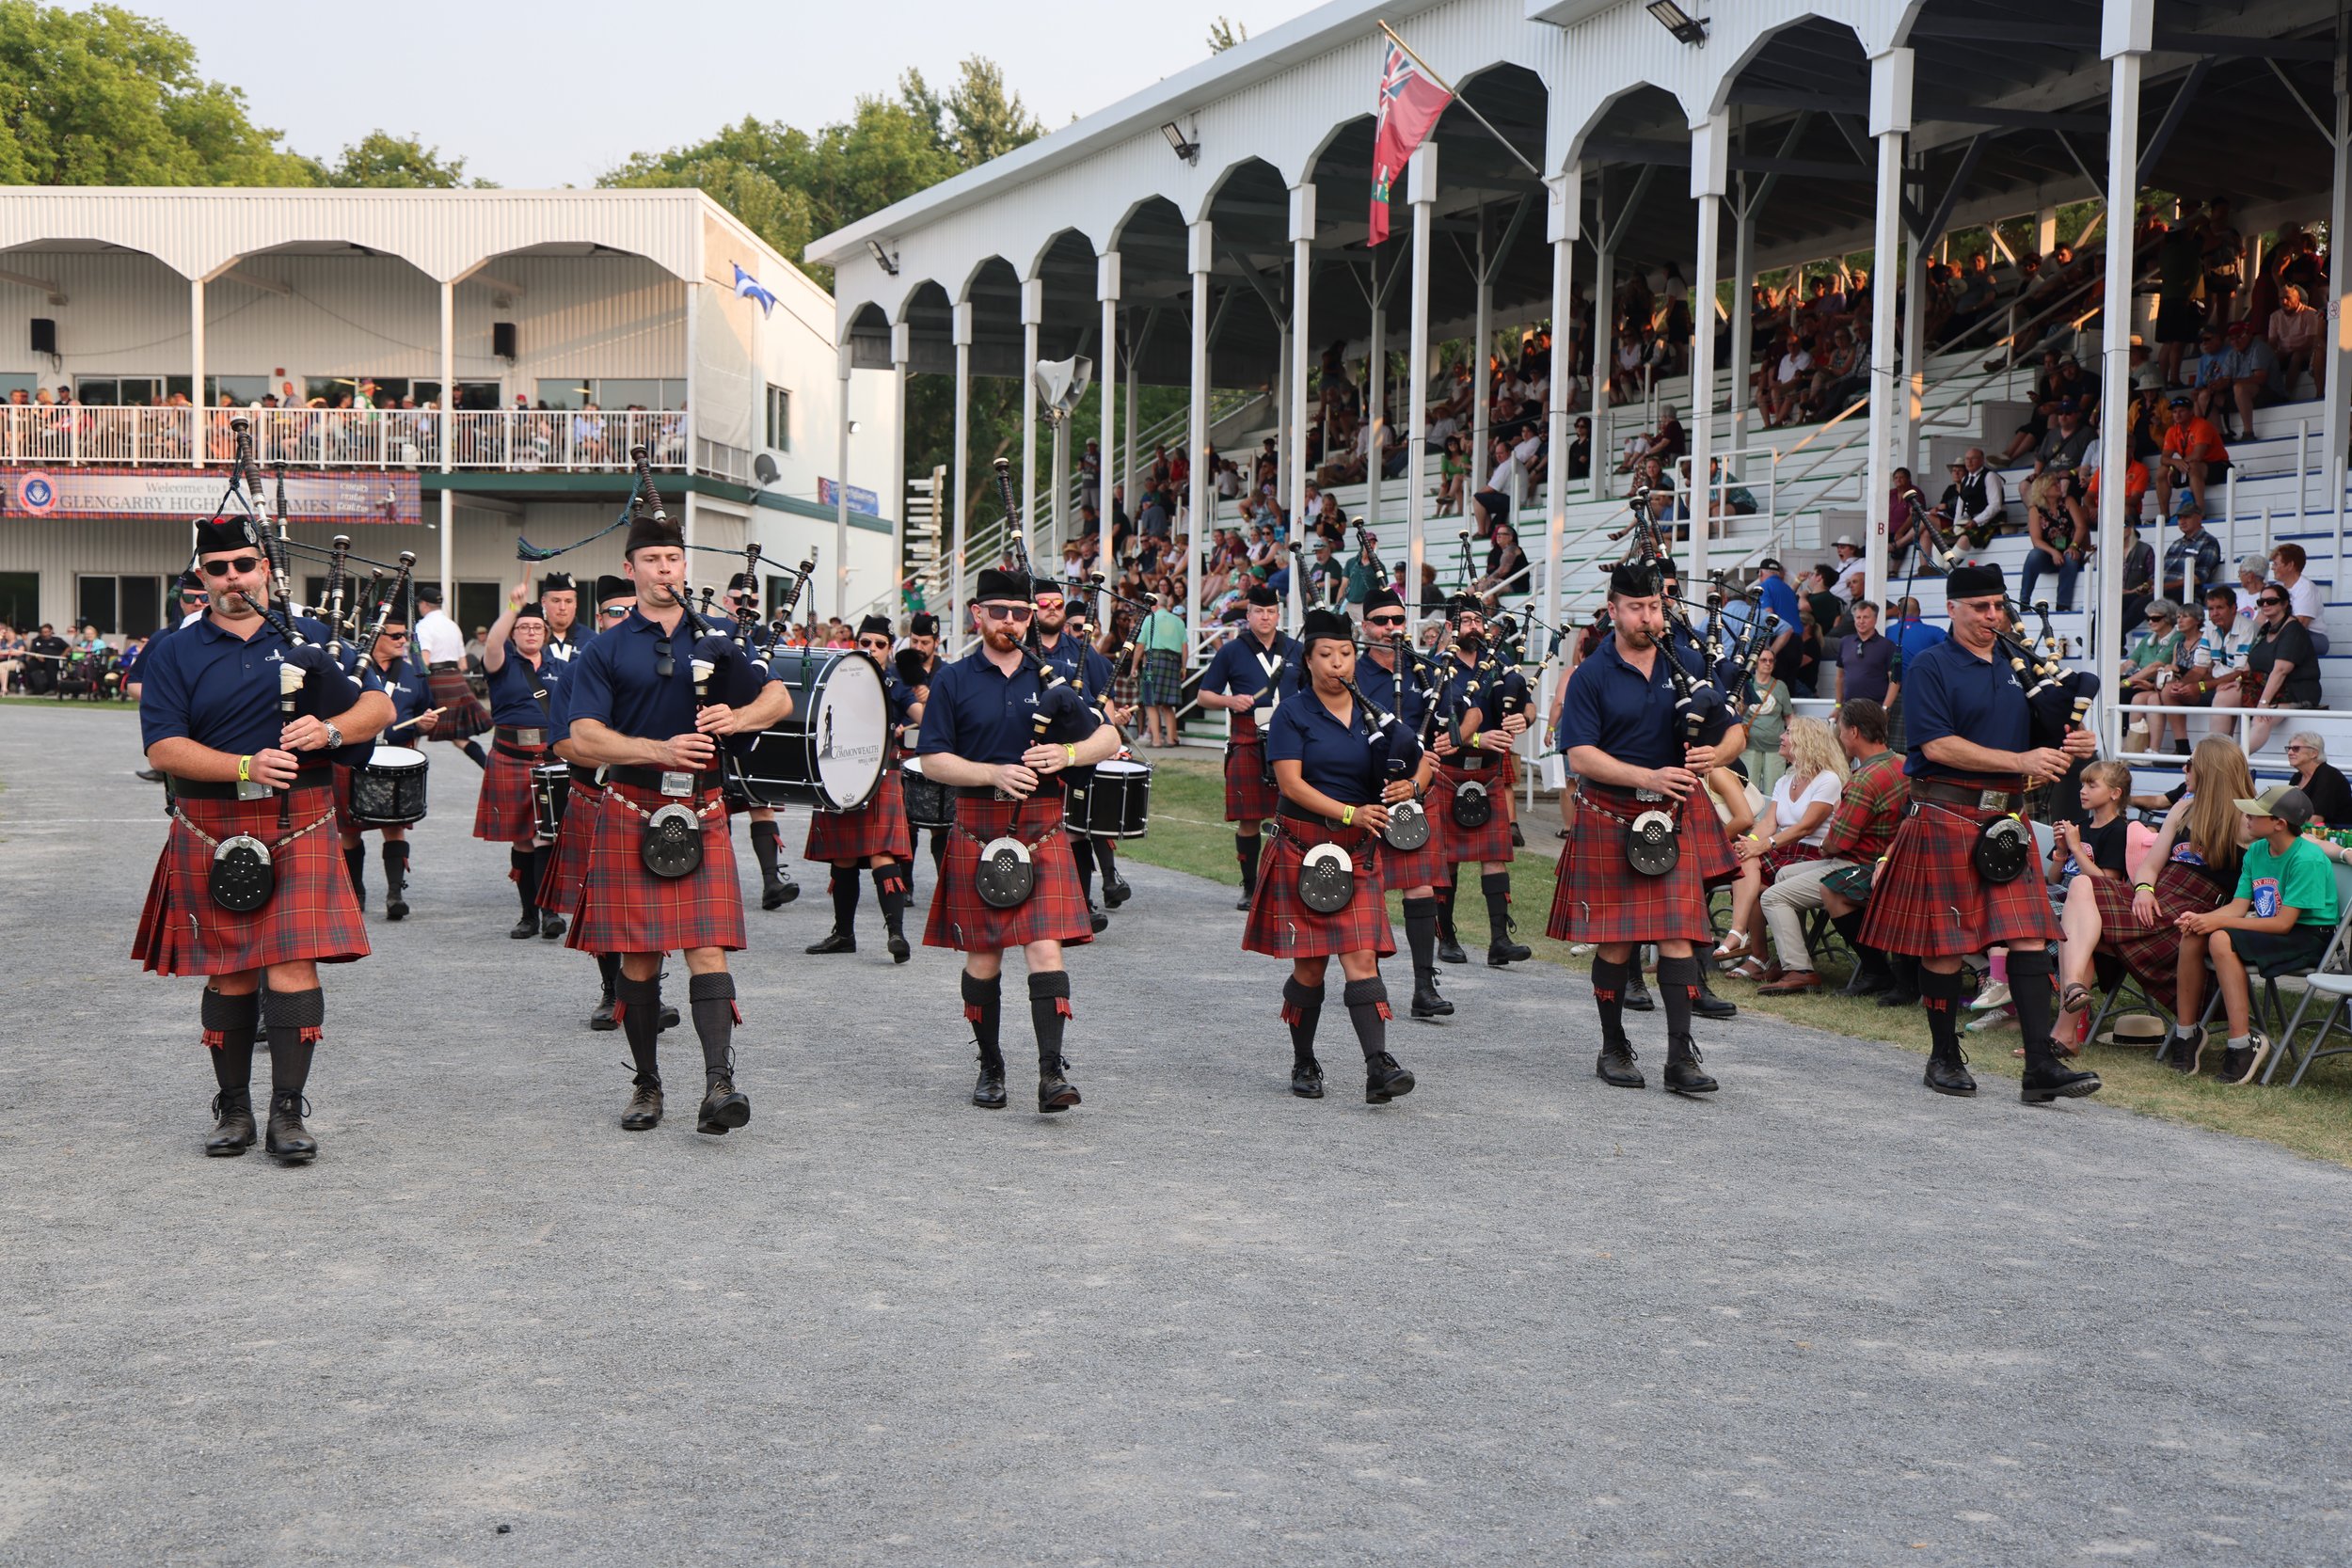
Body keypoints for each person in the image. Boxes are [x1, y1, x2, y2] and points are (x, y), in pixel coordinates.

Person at [134, 511, 393, 1162]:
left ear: (266, 570)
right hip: (211, 823)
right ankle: (233, 1108)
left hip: (297, 820)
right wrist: (242, 766)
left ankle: (286, 1112)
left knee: (292, 963)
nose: (233, 578)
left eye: (244, 565)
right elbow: (163, 746)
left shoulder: (307, 640)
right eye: (217, 569)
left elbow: (379, 707)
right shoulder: (174, 649)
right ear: (201, 576)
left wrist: (332, 732)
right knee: (230, 972)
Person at [558, 498, 796, 1136]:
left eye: (673, 557)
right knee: (639, 957)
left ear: (684, 565)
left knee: (707, 946)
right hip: (635, 803)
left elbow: (778, 696)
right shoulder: (606, 649)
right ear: (630, 568)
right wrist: (658, 749)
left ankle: (720, 1082)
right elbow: (584, 735)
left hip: (705, 804)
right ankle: (647, 1082)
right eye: (653, 559)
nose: (665, 568)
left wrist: (738, 717)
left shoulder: (714, 641)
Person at [1859, 562, 2101, 1102]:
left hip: (2005, 819)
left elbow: (2053, 732)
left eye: (1999, 607)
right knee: (1945, 946)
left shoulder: (2019, 664)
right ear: (1952, 609)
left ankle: (2040, 1065)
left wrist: (2076, 743)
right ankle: (1943, 1056)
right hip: (1947, 812)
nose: (1993, 617)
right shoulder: (1930, 666)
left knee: (2030, 937)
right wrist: (2018, 758)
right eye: (1980, 608)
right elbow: (1937, 745)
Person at [914, 565, 1122, 1114]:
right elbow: (932, 759)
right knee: (983, 958)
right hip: (978, 825)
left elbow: (1109, 735)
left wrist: (1068, 754)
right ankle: (989, 1065)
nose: (1011, 622)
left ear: (1033, 618)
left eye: (1021, 613)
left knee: (1044, 948)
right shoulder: (954, 679)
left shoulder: (1055, 677)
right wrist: (992, 773)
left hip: (1042, 825)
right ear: (977, 615)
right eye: (999, 612)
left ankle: (1051, 1071)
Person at [1550, 560, 1747, 1095]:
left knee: (1679, 937)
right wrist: (1649, 775)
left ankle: (1680, 1058)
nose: (1648, 617)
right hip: (1612, 815)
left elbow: (1735, 734)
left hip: (1670, 819)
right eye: (1636, 608)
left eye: (1655, 607)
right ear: (1613, 610)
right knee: (1616, 944)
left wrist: (1713, 754)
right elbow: (1581, 756)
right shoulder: (1591, 675)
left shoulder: (1683, 662)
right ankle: (1613, 1047)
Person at [1248, 606, 1424, 1103]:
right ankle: (1304, 1060)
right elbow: (1290, 784)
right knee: (1310, 967)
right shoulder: (1292, 713)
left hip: (1359, 852)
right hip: (1305, 846)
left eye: (1345, 654)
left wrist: (1410, 787)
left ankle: (1378, 1066)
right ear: (1308, 660)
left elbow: (1423, 761)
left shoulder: (1375, 712)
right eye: (1326, 655)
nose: (1338, 664)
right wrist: (1349, 813)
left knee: (1361, 957)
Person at [2059, 736, 2253, 1037]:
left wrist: (2345, 853)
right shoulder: (2183, 809)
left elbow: (2301, 841)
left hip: (2190, 914)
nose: (2184, 770)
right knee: (2082, 885)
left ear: (2210, 770)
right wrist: (2143, 891)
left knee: (2077, 932)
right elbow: (2150, 867)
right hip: (2156, 898)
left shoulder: (2248, 820)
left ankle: (2065, 1032)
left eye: (2190, 764)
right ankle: (2073, 990)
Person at [2174, 785, 2341, 1085]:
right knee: (2194, 934)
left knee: (2220, 937)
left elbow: (2283, 925)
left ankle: (2242, 1044)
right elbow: (2239, 907)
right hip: (2276, 929)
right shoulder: (2257, 851)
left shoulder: (2307, 860)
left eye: (2255, 813)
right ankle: (2186, 1033)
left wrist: (2217, 926)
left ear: (2279, 823)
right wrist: (2202, 919)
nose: (2246, 817)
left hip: (2311, 937)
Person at [1757, 699, 1909, 997]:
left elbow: (1837, 842)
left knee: (1773, 898)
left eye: (1840, 730)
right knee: (1783, 877)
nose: (1839, 738)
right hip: (1883, 860)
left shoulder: (1865, 778)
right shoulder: (1900, 764)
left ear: (1853, 732)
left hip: (1857, 866)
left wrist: (1826, 847)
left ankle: (1800, 971)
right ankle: (1795, 957)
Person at [1355, 587, 1453, 1020]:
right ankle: (1369, 983)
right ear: (1365, 627)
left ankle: (1423, 986)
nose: (1392, 628)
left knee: (1421, 886)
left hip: (1415, 790)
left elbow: (1437, 742)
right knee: (1366, 889)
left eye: (1398, 620)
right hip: (1365, 795)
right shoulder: (1350, 673)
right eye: (1382, 621)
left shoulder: (1425, 671)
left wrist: (1414, 784)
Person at [803, 614, 921, 961]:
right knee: (843, 855)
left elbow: (927, 718)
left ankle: (897, 934)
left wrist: (913, 707)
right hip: (838, 770)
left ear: (890, 649)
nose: (872, 649)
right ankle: (843, 934)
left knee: (880, 851)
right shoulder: (836, 680)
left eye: (879, 644)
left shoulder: (895, 686)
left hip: (880, 773)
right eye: (865, 643)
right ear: (856, 644)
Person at [1424, 595, 1532, 968]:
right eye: (1466, 620)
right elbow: (1438, 729)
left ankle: (1499, 940)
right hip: (1450, 771)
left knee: (1495, 856)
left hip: (1487, 773)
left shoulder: (1499, 664)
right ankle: (1446, 937)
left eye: (1478, 620)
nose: (1474, 626)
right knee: (1448, 860)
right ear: (1451, 627)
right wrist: (1476, 738)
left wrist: (1524, 720)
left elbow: (1526, 704)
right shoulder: (1436, 670)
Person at [1716, 718, 1848, 985]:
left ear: (1806, 741)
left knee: (1753, 873)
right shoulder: (1786, 780)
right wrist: (1750, 841)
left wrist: (1763, 844)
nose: (1782, 736)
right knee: (1744, 863)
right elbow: (1768, 823)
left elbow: (1805, 827)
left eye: (1788, 732)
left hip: (1811, 853)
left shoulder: (1828, 779)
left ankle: (1754, 951)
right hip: (1782, 848)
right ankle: (1747, 942)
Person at [1198, 586, 1303, 910]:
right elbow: (1203, 696)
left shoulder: (1296, 649)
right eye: (1259, 611)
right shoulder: (1232, 651)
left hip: (1290, 738)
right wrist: (1229, 700)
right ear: (1248, 615)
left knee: (1292, 815)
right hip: (1247, 736)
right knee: (1249, 818)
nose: (1265, 617)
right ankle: (1250, 885)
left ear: (1278, 615)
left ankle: (1285, 884)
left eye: (1271, 611)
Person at [333, 607, 434, 920]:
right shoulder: (351, 668)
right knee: (350, 830)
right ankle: (356, 892)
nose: (403, 641)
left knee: (395, 828)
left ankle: (394, 895)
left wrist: (424, 725)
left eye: (406, 635)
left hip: (396, 759)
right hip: (354, 755)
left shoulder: (413, 673)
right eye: (396, 636)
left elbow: (423, 709)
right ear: (376, 636)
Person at [1054, 590, 1136, 925]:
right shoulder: (1046, 656)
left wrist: (1116, 725)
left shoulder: (1099, 663)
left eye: (1089, 628)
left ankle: (1091, 895)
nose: (1082, 634)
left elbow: (1108, 716)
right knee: (1071, 828)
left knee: (1087, 821)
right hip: (1052, 752)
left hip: (1087, 753)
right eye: (1075, 627)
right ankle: (1097, 887)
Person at [2212, 580, 2322, 750]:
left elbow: (2280, 671)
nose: (2265, 605)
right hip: (2263, 686)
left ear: (2285, 603)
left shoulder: (2293, 630)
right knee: (2223, 697)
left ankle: (2234, 761)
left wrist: (2263, 703)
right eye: (2261, 602)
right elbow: (2250, 664)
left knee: (2262, 718)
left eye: (2271, 601)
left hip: (2294, 691)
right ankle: (2216, 753)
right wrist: (2240, 681)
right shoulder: (2265, 629)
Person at [411, 581, 489, 769]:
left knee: (414, 729)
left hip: (435, 682)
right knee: (459, 737)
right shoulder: (452, 625)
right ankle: (489, 768)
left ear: (424, 605)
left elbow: (424, 662)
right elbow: (463, 664)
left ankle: (407, 778)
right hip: (457, 681)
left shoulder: (423, 626)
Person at [1136, 594, 1187, 748]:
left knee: (1150, 702)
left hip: (1153, 660)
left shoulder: (1149, 619)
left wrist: (1133, 666)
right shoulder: (1178, 621)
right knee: (1168, 704)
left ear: (1155, 605)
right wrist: (1183, 667)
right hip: (1173, 661)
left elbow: (1140, 646)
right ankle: (1171, 739)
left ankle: (1157, 740)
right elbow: (1185, 647)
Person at [2286, 732, 2352, 828]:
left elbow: (2315, 821)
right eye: (2289, 748)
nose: (2290, 752)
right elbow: (2286, 811)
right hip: (2304, 832)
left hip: (2333, 835)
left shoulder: (2329, 776)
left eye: (2296, 748)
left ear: (2314, 753)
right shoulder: (2297, 777)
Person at [537, 571, 587, 661]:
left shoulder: (589, 640)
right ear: (543, 602)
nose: (562, 607)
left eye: (568, 601)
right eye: (556, 601)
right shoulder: (532, 637)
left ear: (576, 603)